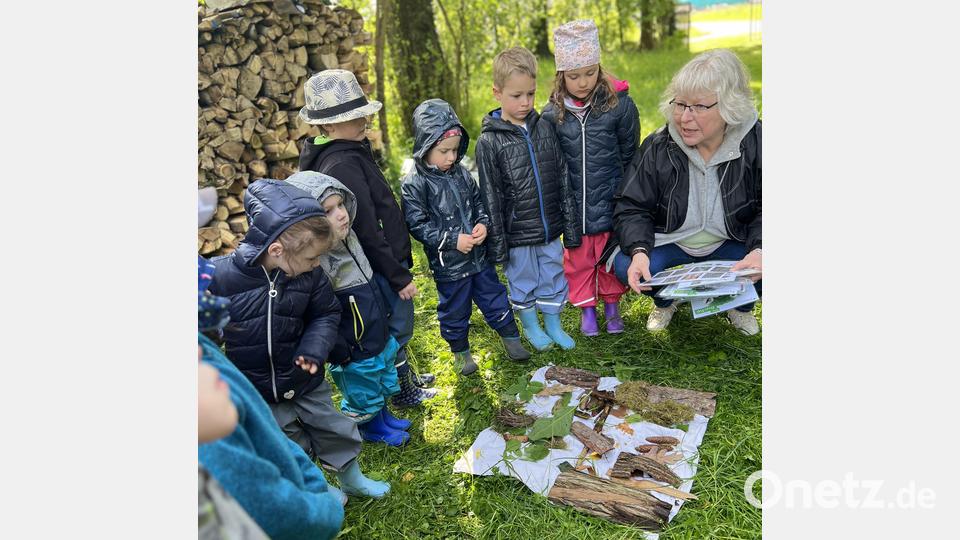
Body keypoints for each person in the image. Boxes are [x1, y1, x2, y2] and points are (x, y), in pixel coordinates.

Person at [209, 179, 391, 499]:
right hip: (258, 386)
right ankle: (314, 490)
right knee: (285, 441)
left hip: (303, 376)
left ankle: (351, 478)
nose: (317, 264)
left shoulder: (310, 275)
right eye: (311, 258)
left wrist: (314, 348)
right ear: (278, 251)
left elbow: (326, 314)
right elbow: (207, 332)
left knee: (332, 427)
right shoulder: (221, 278)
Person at [298, 68, 437, 407]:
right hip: (381, 264)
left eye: (362, 112)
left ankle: (405, 377)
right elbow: (365, 231)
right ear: (329, 126)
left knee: (397, 326)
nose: (364, 120)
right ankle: (402, 389)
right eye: (354, 116)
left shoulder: (350, 148)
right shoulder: (341, 164)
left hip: (385, 259)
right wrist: (397, 273)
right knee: (397, 328)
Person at [608, 48, 762, 335]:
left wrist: (760, 248)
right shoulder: (658, 146)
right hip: (672, 243)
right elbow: (631, 206)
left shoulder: (757, 142)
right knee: (627, 262)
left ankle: (739, 306)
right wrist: (640, 251)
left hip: (732, 242)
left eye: (699, 107)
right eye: (680, 104)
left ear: (729, 106)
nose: (684, 117)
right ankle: (666, 301)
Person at [198, 256, 344, 540]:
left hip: (299, 382)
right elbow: (274, 512)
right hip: (266, 390)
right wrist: (320, 507)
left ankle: (341, 477)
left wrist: (313, 349)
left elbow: (324, 313)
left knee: (326, 423)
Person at [401, 99, 532, 375]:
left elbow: (479, 203)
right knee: (454, 311)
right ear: (426, 147)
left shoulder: (462, 174)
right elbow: (418, 224)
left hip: (479, 259)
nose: (451, 157)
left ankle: (511, 338)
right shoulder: (415, 184)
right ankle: (461, 353)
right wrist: (452, 240)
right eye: (444, 151)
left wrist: (482, 224)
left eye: (455, 151)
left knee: (494, 296)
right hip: (449, 266)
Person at [285, 170, 412, 446]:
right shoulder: (316, 261)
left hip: (372, 330)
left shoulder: (348, 237)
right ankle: (370, 427)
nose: (341, 214)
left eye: (341, 205)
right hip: (353, 344)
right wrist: (340, 349)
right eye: (328, 211)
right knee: (362, 386)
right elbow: (320, 312)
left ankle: (383, 417)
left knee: (379, 375)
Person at [475, 46, 580, 351]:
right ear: (497, 93)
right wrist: (498, 243)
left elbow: (561, 176)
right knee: (523, 279)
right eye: (516, 95)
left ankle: (554, 324)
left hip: (549, 227)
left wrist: (569, 226)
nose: (525, 102)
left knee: (552, 273)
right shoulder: (489, 141)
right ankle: (532, 326)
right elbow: (490, 196)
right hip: (517, 232)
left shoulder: (545, 127)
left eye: (531, 94)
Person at [542, 19, 640, 338]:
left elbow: (630, 155)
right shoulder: (551, 115)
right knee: (580, 261)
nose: (583, 82)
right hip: (575, 208)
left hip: (610, 202)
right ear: (561, 75)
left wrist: (626, 199)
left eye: (590, 72)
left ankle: (612, 306)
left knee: (608, 257)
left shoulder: (620, 107)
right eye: (574, 76)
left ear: (599, 67)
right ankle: (587, 309)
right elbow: (551, 165)